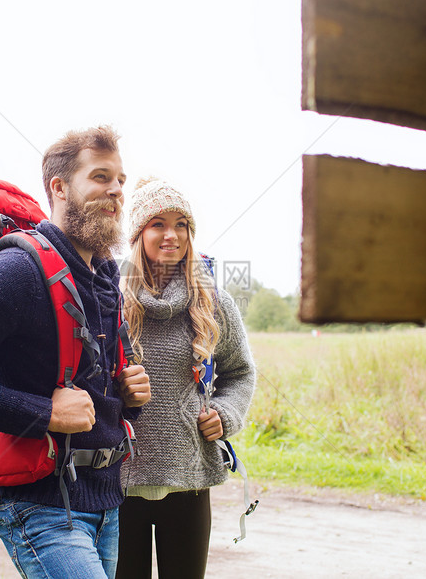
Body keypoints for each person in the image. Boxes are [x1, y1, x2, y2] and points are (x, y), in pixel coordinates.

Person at [0, 125, 151, 579]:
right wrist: (46, 414)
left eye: (120, 179)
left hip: (105, 502)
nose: (117, 190)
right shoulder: (16, 270)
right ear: (59, 188)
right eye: (100, 177)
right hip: (41, 507)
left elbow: (93, 400)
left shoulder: (103, 275)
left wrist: (129, 397)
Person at [116, 177, 256, 578]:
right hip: (120, 481)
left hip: (190, 480)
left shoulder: (214, 301)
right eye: (157, 223)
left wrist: (225, 413)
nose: (171, 234)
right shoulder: (110, 299)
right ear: (138, 233)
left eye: (181, 224)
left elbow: (239, 372)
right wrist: (118, 390)